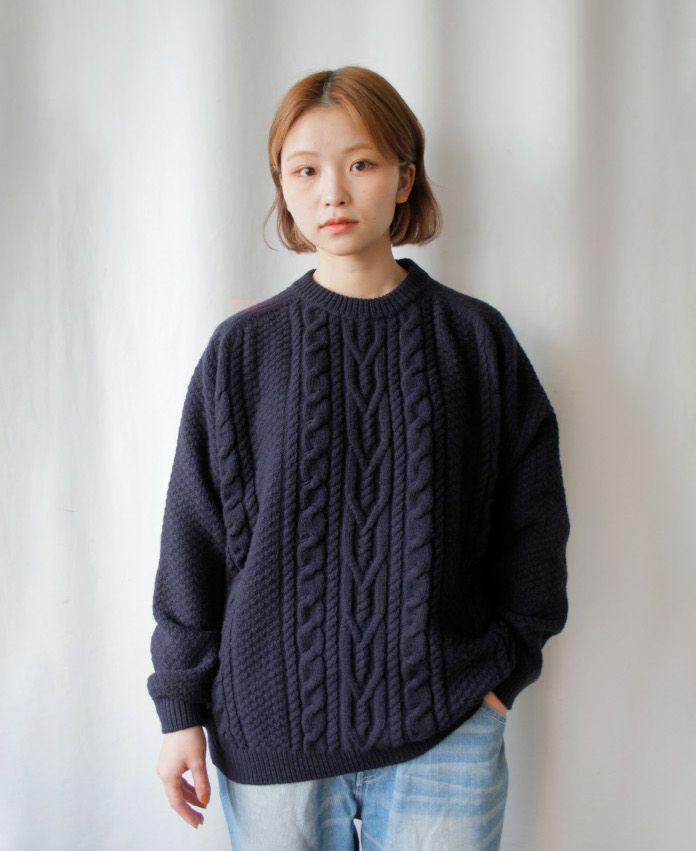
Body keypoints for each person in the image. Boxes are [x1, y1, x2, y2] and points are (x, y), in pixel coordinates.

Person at [147, 65, 570, 850]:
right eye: (304, 170)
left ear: (404, 178)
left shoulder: (473, 340)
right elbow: (192, 540)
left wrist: (504, 672)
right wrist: (180, 710)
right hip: (268, 727)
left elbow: (534, 520)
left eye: (361, 163)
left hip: (447, 725)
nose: (332, 193)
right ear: (281, 188)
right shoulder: (242, 351)